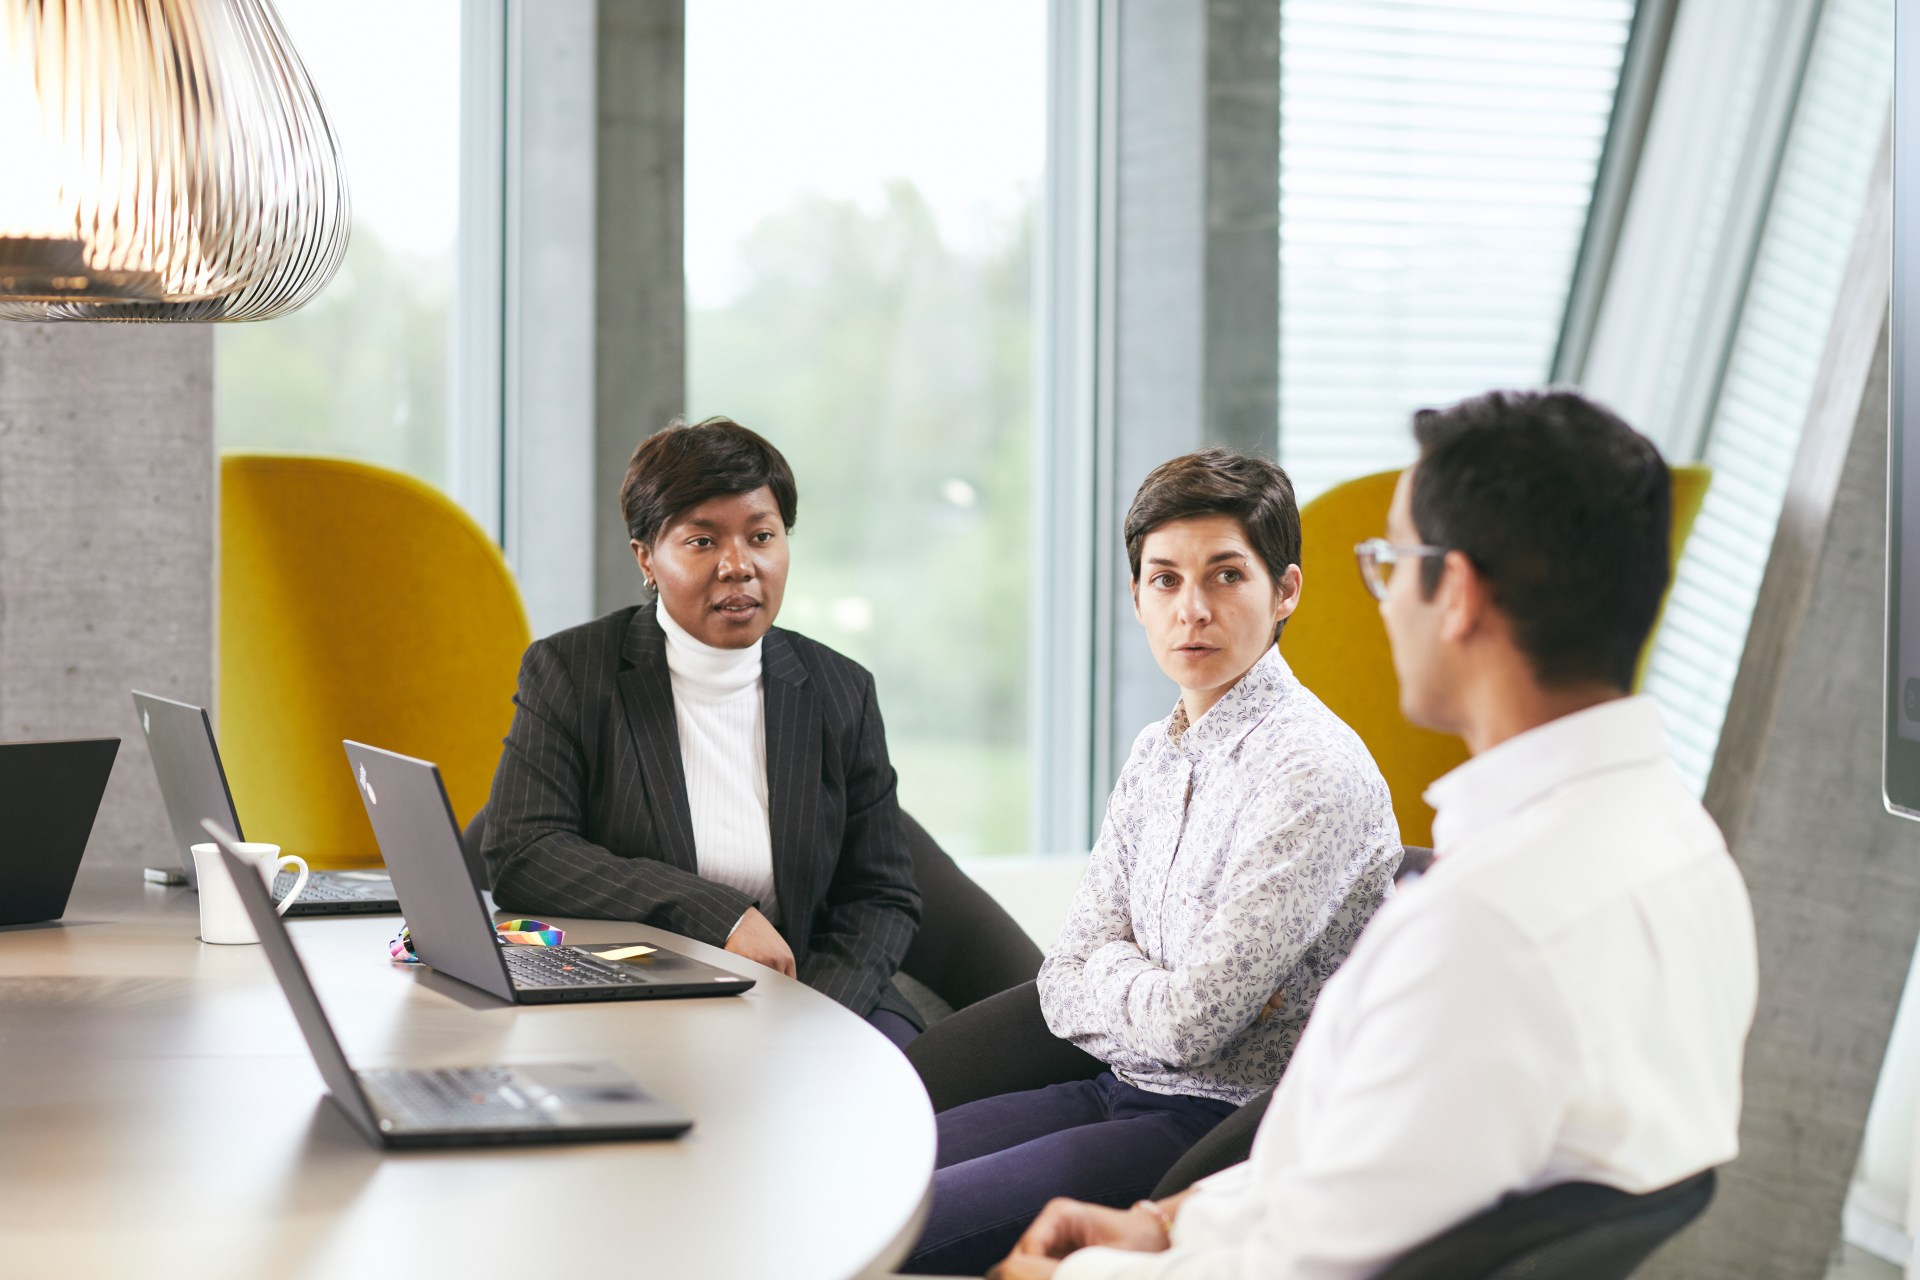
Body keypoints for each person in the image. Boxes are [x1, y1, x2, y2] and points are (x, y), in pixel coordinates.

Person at [987, 389, 1760, 1279]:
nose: (1384, 601)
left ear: (1457, 594)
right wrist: (1170, 1222)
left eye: (1390, 563)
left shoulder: (1483, 928)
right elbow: (1362, 1184)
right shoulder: (1689, 855)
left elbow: (1316, 1266)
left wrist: (1072, 1278)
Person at [902, 449, 1401, 1275]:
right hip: (1109, 1084)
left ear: (1286, 592)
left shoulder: (1315, 774)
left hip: (1216, 1131)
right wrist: (1149, 986)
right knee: (859, 1177)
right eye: (1165, 580)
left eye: (1225, 576)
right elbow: (1063, 978)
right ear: (1136, 597)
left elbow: (1197, 1023)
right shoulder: (1155, 753)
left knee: (904, 1231)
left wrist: (1125, 975)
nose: (1192, 610)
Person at [481, 416, 924, 1048]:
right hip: (640, 989)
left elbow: (881, 895)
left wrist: (806, 1013)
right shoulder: (573, 672)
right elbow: (524, 854)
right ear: (647, 559)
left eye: (762, 536)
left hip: (814, 990)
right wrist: (718, 915)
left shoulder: (839, 690)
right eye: (701, 541)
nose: (739, 566)